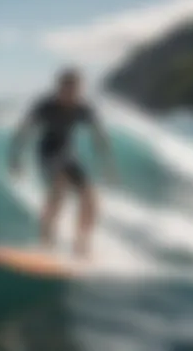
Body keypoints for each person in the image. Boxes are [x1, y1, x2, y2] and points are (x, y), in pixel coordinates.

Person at [8, 67, 116, 258]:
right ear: (59, 88)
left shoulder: (83, 108)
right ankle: (45, 242)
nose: (70, 94)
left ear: (79, 89)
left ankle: (81, 243)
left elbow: (98, 134)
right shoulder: (45, 106)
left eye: (74, 90)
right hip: (47, 152)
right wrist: (15, 158)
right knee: (58, 193)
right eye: (66, 89)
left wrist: (108, 164)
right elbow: (23, 131)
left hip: (68, 154)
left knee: (90, 198)